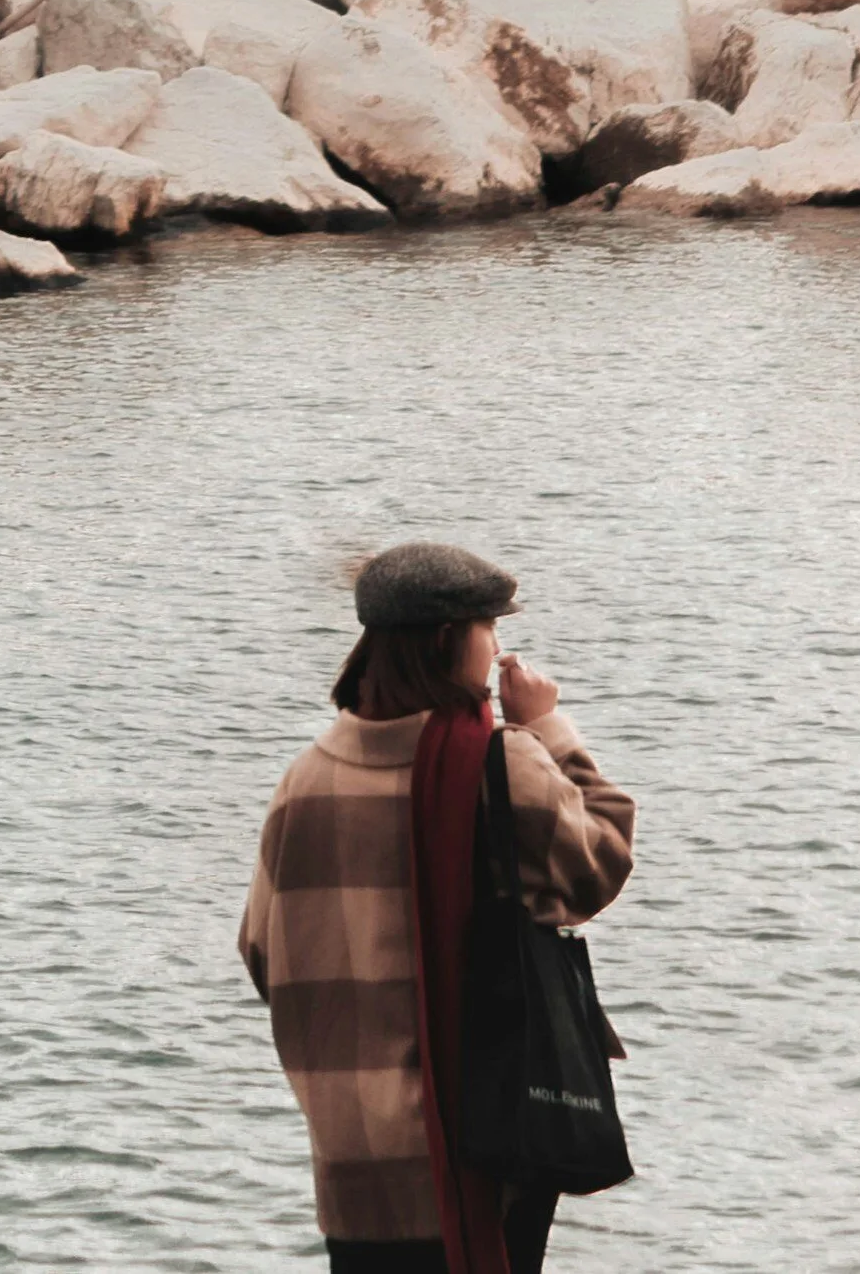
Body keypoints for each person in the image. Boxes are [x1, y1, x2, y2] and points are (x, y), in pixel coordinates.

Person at [240, 542, 637, 1274]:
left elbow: (264, 954)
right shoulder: (500, 762)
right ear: (454, 641)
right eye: (491, 627)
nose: (498, 647)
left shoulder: (305, 781)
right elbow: (600, 865)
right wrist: (550, 731)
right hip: (481, 1146)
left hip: (351, 1152)